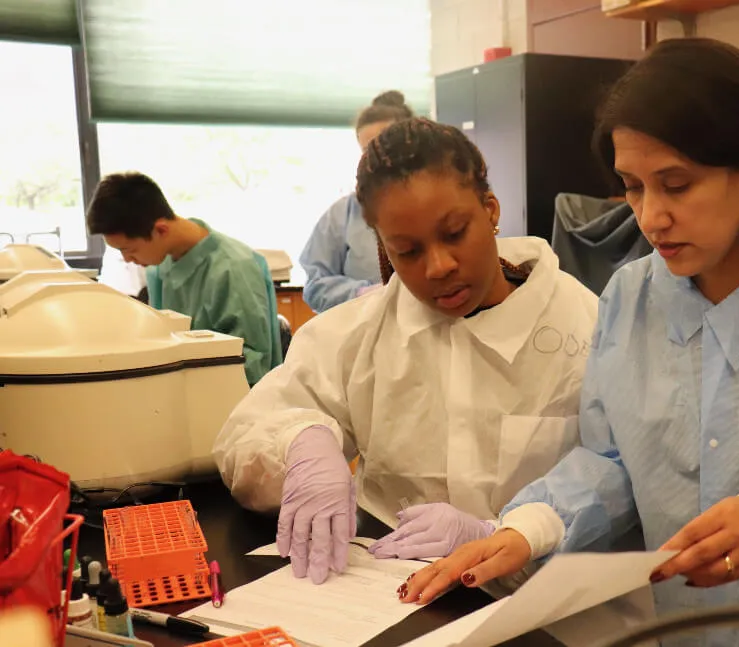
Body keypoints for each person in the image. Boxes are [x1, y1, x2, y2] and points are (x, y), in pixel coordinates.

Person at [398, 38, 739, 646]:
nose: (651, 217)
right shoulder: (632, 295)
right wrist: (531, 526)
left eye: (676, 185)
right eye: (633, 186)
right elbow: (613, 460)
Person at [213, 118, 600, 586]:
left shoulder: (583, 325)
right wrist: (300, 444)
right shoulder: (362, 332)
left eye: (455, 233)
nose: (439, 267)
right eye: (408, 251)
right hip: (389, 589)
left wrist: (499, 531)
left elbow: (616, 478)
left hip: (535, 598)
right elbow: (244, 436)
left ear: (491, 210)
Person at [87, 172, 283, 386]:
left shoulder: (234, 267)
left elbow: (254, 365)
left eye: (130, 250)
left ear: (161, 229)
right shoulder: (159, 269)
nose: (127, 260)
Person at [299, 90, 414, 313]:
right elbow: (315, 287)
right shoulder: (342, 215)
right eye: (366, 151)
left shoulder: (436, 204)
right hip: (367, 330)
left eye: (382, 148)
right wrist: (363, 293)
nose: (375, 159)